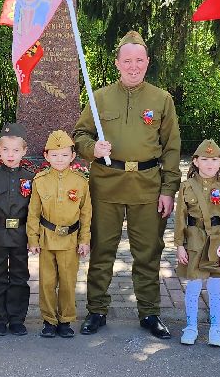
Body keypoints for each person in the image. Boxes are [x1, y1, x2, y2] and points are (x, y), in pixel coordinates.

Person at [73, 30, 180, 338]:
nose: (134, 66)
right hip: (106, 184)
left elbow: (172, 147)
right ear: (117, 63)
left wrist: (168, 189)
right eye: (127, 61)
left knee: (148, 253)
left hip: (147, 185)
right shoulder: (100, 97)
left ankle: (149, 312)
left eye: (139, 61)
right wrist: (93, 149)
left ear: (147, 62)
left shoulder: (161, 99)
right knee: (101, 250)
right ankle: (97, 310)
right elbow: (80, 136)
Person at [27, 130, 92, 338]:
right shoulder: (40, 180)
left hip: (70, 240)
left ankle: (65, 319)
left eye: (64, 155)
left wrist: (85, 240)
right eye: (54, 155)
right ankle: (48, 320)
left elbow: (86, 213)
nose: (59, 159)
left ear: (73, 156)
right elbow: (33, 213)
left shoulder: (81, 181)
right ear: (46, 156)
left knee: (67, 282)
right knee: (46, 282)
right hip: (47, 239)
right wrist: (32, 239)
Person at [174, 138, 220, 347]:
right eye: (205, 159)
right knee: (193, 286)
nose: (210, 164)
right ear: (196, 161)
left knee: (216, 286)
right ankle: (191, 326)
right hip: (194, 241)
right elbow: (180, 217)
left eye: (214, 160)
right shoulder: (186, 187)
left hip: (216, 241)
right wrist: (179, 245)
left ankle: (215, 328)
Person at [0, 122, 34, 336]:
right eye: (5, 150)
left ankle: (16, 319)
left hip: (21, 234)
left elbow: (34, 210)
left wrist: (34, 237)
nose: (10, 155)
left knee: (20, 276)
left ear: (24, 151)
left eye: (15, 150)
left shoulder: (31, 178)